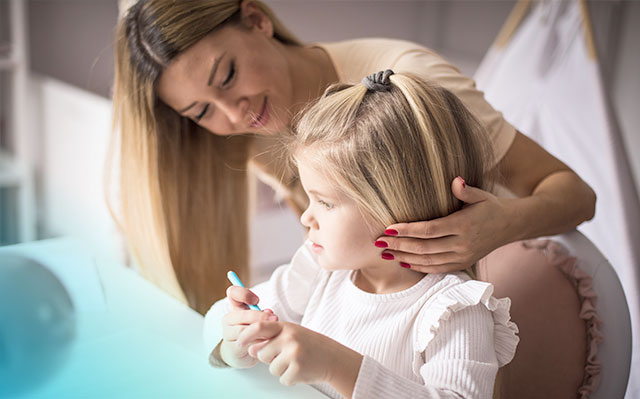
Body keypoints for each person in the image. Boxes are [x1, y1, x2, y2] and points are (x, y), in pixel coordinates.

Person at [111, 0, 596, 314]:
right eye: (201, 111)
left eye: (228, 75)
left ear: (257, 19)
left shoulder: (410, 81)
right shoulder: (255, 127)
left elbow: (575, 193)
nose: (232, 114)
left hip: (503, 287)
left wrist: (500, 225)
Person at [203, 71, 519, 398]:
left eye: (325, 202)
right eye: (309, 198)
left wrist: (336, 365)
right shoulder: (318, 268)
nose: (308, 216)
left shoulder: (452, 310)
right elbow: (215, 318)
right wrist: (235, 346)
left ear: (398, 206)